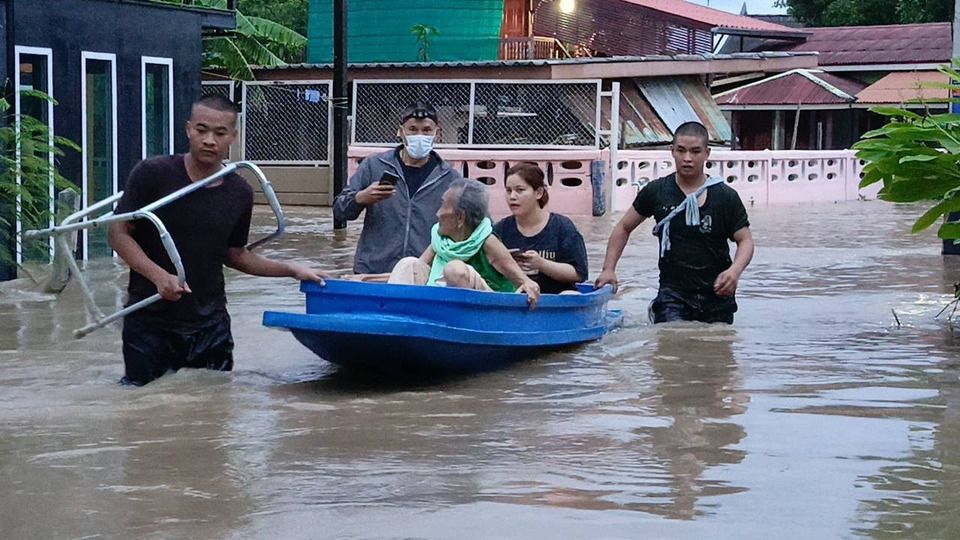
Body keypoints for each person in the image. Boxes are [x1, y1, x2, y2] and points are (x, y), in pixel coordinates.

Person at [109, 94, 328, 386]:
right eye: (202, 130)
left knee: (214, 403)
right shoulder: (153, 173)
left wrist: (292, 270)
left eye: (220, 133)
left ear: (233, 137)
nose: (209, 140)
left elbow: (235, 255)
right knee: (141, 404)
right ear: (189, 129)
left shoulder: (239, 192)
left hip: (210, 324)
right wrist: (159, 276)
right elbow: (118, 234)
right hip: (149, 321)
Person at [595, 121, 754, 324]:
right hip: (673, 295)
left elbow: (745, 240)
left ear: (707, 153)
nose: (687, 158)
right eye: (681, 150)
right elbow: (623, 228)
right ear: (672, 151)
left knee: (717, 342)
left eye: (695, 151)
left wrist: (735, 271)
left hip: (717, 294)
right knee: (672, 339)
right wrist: (608, 269)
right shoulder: (657, 191)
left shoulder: (725, 196)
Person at [333, 101, 463, 274]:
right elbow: (339, 210)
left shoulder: (450, 178)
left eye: (426, 130)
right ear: (400, 131)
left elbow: (470, 226)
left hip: (423, 273)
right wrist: (360, 198)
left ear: (437, 134)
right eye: (412, 129)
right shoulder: (374, 165)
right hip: (373, 271)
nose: (419, 136)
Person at [388, 179, 541, 308]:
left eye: (443, 206)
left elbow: (523, 281)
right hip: (437, 303)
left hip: (488, 309)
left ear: (460, 218)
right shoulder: (440, 239)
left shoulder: (487, 241)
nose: (438, 213)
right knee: (408, 264)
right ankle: (395, 316)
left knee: (454, 269)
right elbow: (415, 274)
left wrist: (529, 287)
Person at [493, 163, 588, 294]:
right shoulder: (501, 229)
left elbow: (580, 273)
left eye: (520, 190)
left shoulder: (562, 228)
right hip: (515, 298)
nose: (512, 196)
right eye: (508, 191)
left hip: (556, 299)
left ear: (539, 193)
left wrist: (541, 264)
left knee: (571, 294)